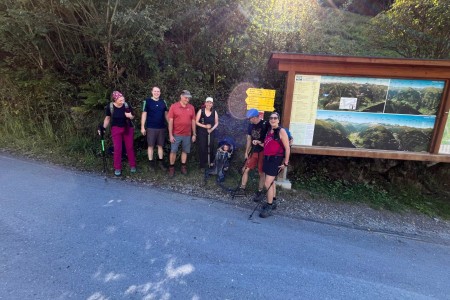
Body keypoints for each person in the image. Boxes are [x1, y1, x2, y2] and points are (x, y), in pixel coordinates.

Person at [259, 112, 290, 218]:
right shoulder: (269, 130)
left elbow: (287, 147)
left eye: (275, 118)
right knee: (271, 182)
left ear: (278, 119)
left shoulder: (281, 131)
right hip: (267, 158)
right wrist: (257, 143)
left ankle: (269, 205)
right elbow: (267, 145)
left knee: (267, 183)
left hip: (275, 159)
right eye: (271, 118)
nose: (273, 120)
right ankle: (273, 201)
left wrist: (285, 162)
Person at [98, 91, 137, 176]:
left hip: (128, 127)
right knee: (117, 148)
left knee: (129, 147)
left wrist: (130, 116)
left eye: (122, 97)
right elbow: (107, 118)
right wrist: (103, 128)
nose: (122, 99)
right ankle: (117, 168)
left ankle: (133, 165)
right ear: (115, 99)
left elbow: (133, 116)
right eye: (120, 98)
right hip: (116, 128)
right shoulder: (110, 107)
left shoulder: (127, 105)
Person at [235, 108, 268, 201]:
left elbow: (272, 136)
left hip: (262, 151)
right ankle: (242, 188)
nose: (249, 120)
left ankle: (260, 191)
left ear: (255, 117)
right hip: (253, 150)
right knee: (246, 169)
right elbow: (249, 139)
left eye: (250, 118)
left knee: (261, 172)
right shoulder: (250, 125)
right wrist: (246, 151)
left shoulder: (265, 124)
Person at [167, 90, 197, 177]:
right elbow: (170, 121)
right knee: (173, 151)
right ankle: (171, 168)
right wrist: (170, 135)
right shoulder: (174, 106)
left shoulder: (191, 107)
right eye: (185, 97)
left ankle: (183, 167)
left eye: (188, 98)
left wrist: (194, 134)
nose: (187, 99)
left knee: (185, 151)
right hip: (176, 134)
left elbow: (193, 121)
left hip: (187, 134)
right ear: (181, 96)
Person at [140, 86, 168, 171]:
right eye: (155, 91)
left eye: (158, 91)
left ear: (160, 92)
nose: (157, 93)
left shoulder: (163, 102)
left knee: (160, 146)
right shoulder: (147, 101)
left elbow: (166, 114)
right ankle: (151, 164)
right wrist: (142, 127)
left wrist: (170, 125)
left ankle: (161, 163)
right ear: (152, 92)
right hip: (151, 127)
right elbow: (144, 114)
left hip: (161, 128)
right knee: (151, 146)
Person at [195, 97, 219, 169]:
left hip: (211, 132)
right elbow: (196, 122)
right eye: (208, 102)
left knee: (211, 147)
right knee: (202, 148)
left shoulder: (214, 112)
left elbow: (217, 123)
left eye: (210, 103)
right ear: (205, 103)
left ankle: (210, 163)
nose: (209, 104)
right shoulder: (201, 111)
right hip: (202, 132)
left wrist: (211, 129)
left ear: (212, 104)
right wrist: (205, 126)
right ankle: (202, 164)